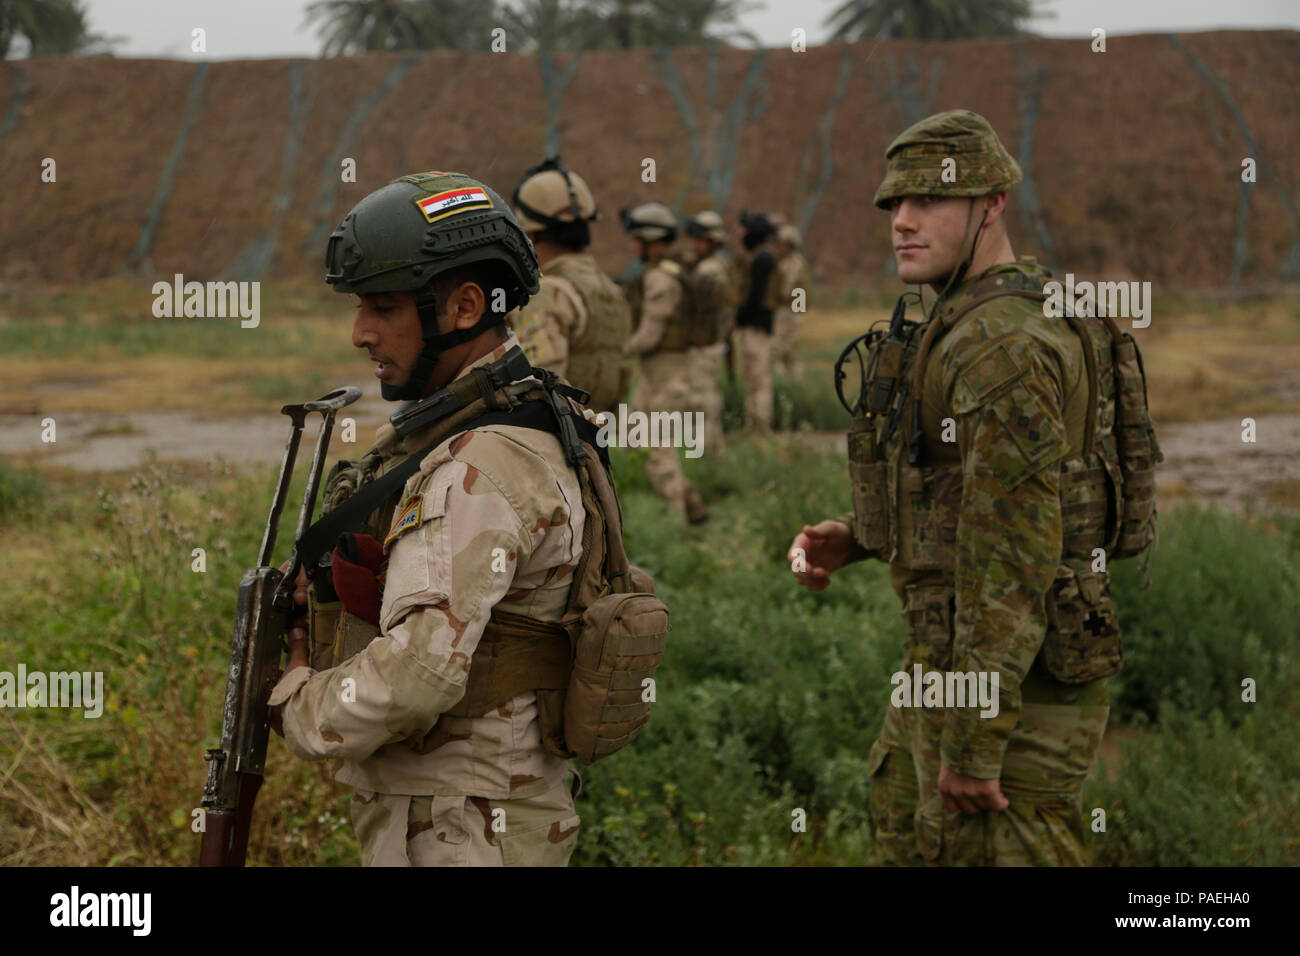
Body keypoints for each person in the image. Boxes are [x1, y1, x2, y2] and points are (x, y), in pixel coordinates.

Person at [790, 110, 1131, 866]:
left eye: (929, 203)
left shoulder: (1002, 343)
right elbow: (973, 491)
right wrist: (864, 535)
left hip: (1008, 690)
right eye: (893, 206)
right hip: (951, 665)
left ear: (992, 205)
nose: (903, 222)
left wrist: (975, 743)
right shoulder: (971, 316)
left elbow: (1014, 553)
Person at [267, 170, 595, 866]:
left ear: (465, 305)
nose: (361, 332)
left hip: (458, 826)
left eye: (382, 307)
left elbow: (415, 678)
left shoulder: (476, 467)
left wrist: (295, 703)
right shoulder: (525, 416)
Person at [506, 156, 632, 414]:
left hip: (557, 438)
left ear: (530, 234)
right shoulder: (609, 288)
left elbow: (536, 385)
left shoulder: (549, 292)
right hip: (595, 436)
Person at [619, 201, 709, 524]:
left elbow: (650, 334)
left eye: (636, 239)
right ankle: (692, 505)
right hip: (656, 372)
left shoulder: (661, 279)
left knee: (657, 446)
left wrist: (618, 350)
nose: (632, 246)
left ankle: (678, 523)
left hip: (670, 372)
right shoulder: (665, 272)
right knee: (633, 435)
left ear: (651, 240)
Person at [682, 210, 734, 456]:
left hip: (704, 344)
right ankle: (711, 451)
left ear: (712, 241)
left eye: (699, 240)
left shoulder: (709, 271)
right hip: (711, 342)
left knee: (701, 401)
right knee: (705, 398)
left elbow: (693, 305)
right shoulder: (715, 266)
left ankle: (707, 453)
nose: (694, 245)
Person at [732, 211, 779, 433]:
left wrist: (739, 319)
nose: (741, 235)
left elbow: (755, 296)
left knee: (758, 379)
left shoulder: (763, 259)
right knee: (751, 378)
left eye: (745, 231)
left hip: (757, 327)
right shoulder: (760, 257)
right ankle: (753, 425)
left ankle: (760, 427)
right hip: (754, 326)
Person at [771, 223, 809, 379]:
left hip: (788, 311)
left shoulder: (793, 264)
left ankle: (786, 382)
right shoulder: (790, 262)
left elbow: (785, 290)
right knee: (787, 349)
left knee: (781, 349)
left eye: (782, 244)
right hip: (792, 310)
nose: (779, 248)